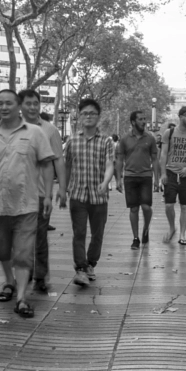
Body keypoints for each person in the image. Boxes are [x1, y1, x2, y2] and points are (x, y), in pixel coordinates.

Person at [0, 90, 55, 318]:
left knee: (23, 254)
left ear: (18, 106)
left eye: (9, 103)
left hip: (27, 205)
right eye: (0, 103)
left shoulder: (34, 133)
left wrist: (49, 196)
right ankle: (9, 281)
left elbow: (46, 164)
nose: (4, 107)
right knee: (3, 251)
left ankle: (22, 298)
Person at [18, 89, 66, 293]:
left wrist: (62, 188)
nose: (32, 107)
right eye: (27, 103)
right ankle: (22, 272)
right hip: (16, 194)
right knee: (19, 238)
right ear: (20, 106)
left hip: (39, 194)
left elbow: (58, 160)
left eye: (35, 103)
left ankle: (40, 276)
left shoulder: (50, 130)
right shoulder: (12, 128)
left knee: (39, 237)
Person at [63, 98, 114, 287]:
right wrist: (63, 190)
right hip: (77, 195)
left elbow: (110, 165)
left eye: (92, 113)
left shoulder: (107, 141)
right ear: (79, 116)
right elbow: (67, 166)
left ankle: (91, 263)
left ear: (98, 117)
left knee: (98, 234)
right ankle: (81, 269)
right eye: (85, 113)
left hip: (99, 196)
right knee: (79, 233)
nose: (89, 116)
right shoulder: (72, 141)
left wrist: (106, 181)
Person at [115, 110, 160, 249]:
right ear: (133, 122)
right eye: (140, 119)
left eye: (144, 119)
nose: (144, 121)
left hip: (146, 176)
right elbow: (119, 160)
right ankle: (136, 238)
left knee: (146, 207)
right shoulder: (124, 139)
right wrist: (118, 179)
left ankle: (146, 228)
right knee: (134, 208)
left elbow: (155, 159)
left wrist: (157, 179)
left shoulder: (150, 138)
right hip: (130, 177)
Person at [159, 109, 186, 245]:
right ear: (181, 117)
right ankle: (172, 228)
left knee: (185, 206)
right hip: (171, 173)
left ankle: (182, 235)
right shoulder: (169, 133)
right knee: (169, 205)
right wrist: (163, 173)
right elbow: (163, 154)